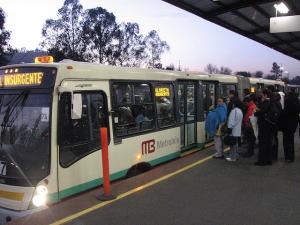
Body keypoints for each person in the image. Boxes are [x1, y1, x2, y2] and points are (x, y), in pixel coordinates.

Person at [254, 89, 275, 166]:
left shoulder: (266, 102)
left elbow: (261, 112)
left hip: (264, 125)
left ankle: (262, 161)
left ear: (265, 95)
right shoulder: (272, 101)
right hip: (270, 125)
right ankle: (269, 160)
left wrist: (256, 111)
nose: (261, 95)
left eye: (262, 94)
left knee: (263, 143)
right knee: (268, 143)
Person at [280, 92, 300, 163]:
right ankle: (291, 157)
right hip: (293, 126)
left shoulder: (288, 103)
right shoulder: (296, 102)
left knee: (286, 142)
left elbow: (284, 114)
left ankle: (288, 157)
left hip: (287, 126)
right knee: (291, 141)